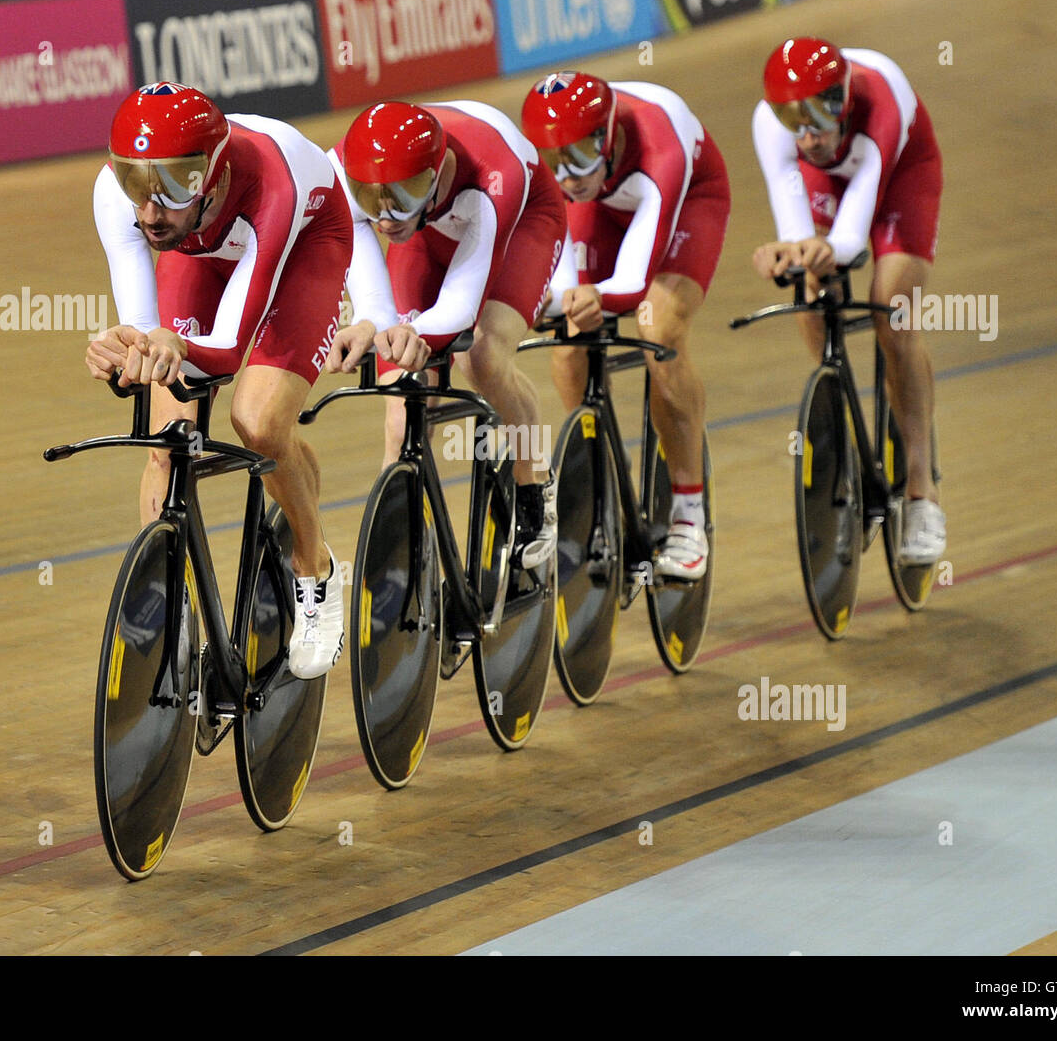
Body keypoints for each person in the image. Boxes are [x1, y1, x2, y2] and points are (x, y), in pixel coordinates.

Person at [85, 81, 349, 680]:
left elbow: (226, 354)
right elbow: (144, 336)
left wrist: (167, 349)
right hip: (201, 248)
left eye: (173, 189)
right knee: (164, 445)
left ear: (213, 172)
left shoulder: (272, 185)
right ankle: (173, 608)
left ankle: (316, 567)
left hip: (302, 243)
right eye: (137, 187)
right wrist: (119, 356)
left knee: (257, 421)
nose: (150, 214)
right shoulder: (125, 200)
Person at [323, 99, 564, 568]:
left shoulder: (496, 175)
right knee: (403, 406)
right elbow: (357, 240)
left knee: (484, 357)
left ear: (436, 173)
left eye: (404, 193)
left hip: (521, 226)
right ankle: (404, 551)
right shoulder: (345, 171)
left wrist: (414, 332)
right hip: (427, 234)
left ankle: (534, 481)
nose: (386, 215)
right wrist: (374, 322)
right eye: (373, 198)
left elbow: (458, 311)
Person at [520, 72, 730, 581]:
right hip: (604, 208)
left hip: (686, 201)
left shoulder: (664, 143)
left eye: (580, 156)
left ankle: (688, 513)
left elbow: (633, 284)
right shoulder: (565, 174)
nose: (567, 174)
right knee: (570, 340)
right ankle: (600, 480)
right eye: (555, 160)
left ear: (608, 136)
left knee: (658, 330)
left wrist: (602, 296)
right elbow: (557, 259)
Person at [750, 37, 946, 565]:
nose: (808, 136)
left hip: (901, 175)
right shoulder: (773, 126)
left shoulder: (881, 101)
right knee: (814, 288)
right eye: (796, 122)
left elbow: (853, 237)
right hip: (833, 183)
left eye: (820, 117)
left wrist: (827, 248)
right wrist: (789, 251)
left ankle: (923, 493)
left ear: (842, 102)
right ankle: (835, 401)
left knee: (891, 308)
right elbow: (795, 222)